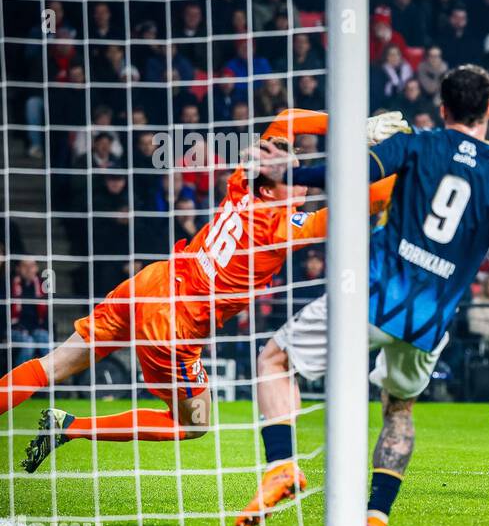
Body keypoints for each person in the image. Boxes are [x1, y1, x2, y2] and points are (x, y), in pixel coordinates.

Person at [239, 66, 489, 526]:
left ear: (442, 108)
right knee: (399, 408)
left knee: (274, 359)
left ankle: (282, 467)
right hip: (430, 322)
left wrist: (285, 173)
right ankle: (375, 522)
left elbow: (347, 175)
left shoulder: (417, 144)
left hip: (372, 298)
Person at [2, 110, 395, 469]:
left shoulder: (243, 184)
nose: (305, 185)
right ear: (273, 188)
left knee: (51, 366)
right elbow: (373, 196)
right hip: (174, 323)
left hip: (150, 283)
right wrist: (409, 159)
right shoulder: (281, 231)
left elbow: (287, 119)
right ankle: (70, 428)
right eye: (294, 177)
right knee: (194, 423)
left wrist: (352, 128)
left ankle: (61, 423)